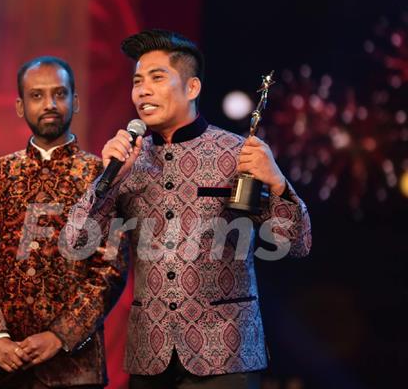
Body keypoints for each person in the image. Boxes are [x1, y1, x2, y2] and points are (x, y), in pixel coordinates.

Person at [65, 30, 311, 389]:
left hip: (226, 353)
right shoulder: (128, 160)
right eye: (137, 82)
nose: (142, 91)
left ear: (192, 88)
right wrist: (111, 175)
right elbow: (75, 243)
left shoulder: (236, 152)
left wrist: (277, 182)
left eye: (157, 78)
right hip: (150, 355)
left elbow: (297, 243)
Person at [0, 56, 129, 389]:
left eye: (60, 94)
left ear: (75, 101)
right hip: (3, 364)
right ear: (20, 107)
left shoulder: (101, 177)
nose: (50, 104)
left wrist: (59, 336)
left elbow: (110, 269)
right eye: (37, 96)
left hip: (73, 366)